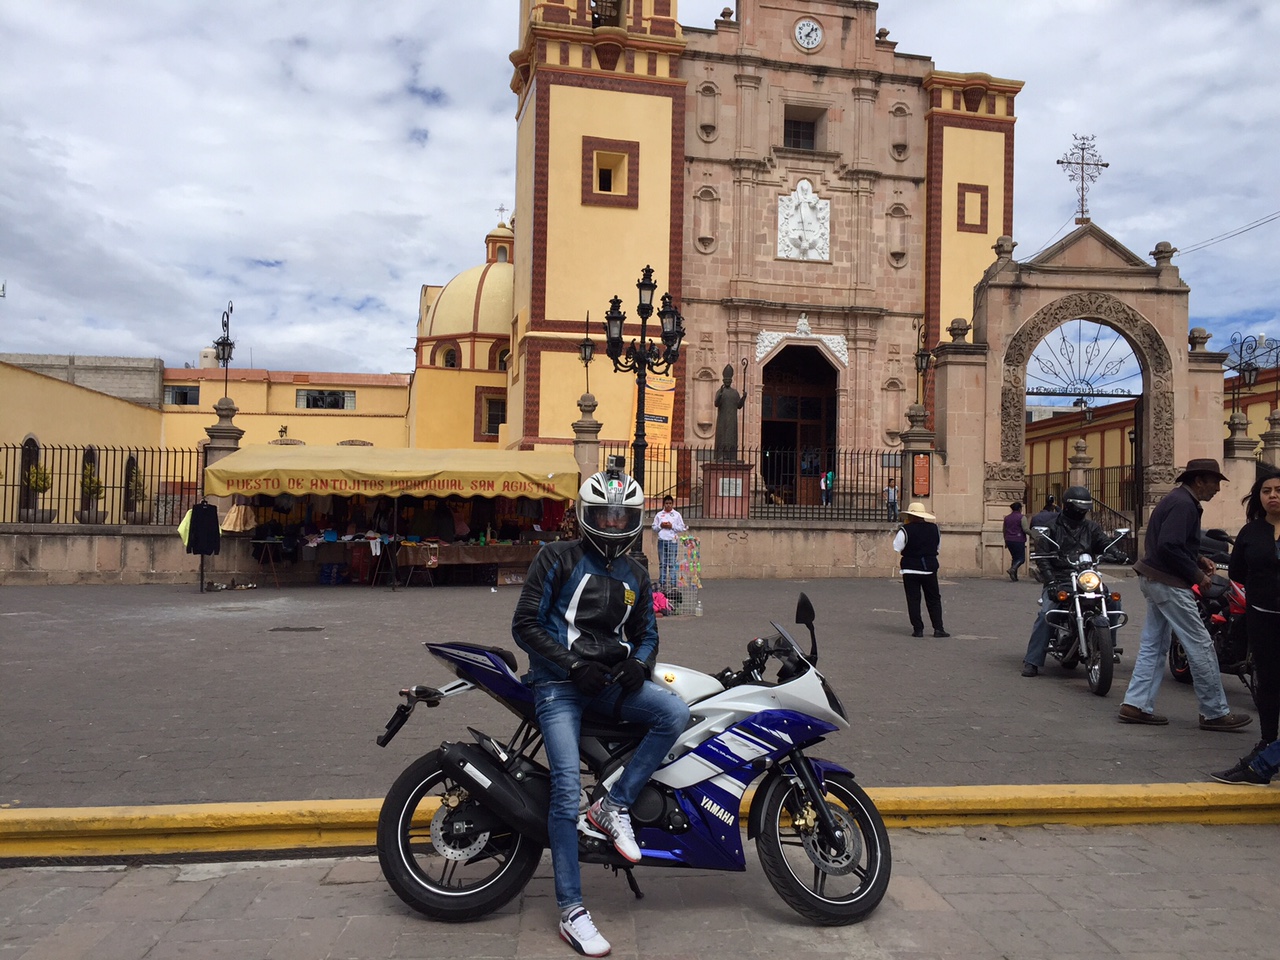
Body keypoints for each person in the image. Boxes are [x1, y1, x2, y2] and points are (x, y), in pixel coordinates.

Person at [511, 461, 691, 957]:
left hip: (609, 683)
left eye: (621, 516)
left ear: (634, 519)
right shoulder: (555, 557)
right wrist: (570, 666)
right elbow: (525, 624)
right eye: (604, 515)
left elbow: (647, 633)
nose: (612, 523)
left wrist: (640, 663)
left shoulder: (637, 572)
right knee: (566, 788)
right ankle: (571, 910)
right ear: (585, 514)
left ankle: (613, 804)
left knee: (674, 714)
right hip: (557, 686)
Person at [1118, 458, 1251, 730]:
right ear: (1199, 481)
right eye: (1214, 482)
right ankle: (1214, 712)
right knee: (1200, 644)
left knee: (1154, 644)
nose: (1217, 488)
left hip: (1154, 577)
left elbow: (1172, 543)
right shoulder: (1183, 504)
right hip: (1168, 582)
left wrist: (1197, 558)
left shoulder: (1177, 500)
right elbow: (1169, 546)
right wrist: (1197, 574)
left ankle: (1136, 704)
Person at [1209, 470, 1280, 783]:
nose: (1273, 495)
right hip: (1262, 617)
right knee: (1267, 681)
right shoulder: (1251, 532)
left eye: (1279, 490)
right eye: (1266, 491)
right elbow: (1237, 571)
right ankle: (1267, 741)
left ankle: (1266, 760)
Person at [1020, 486, 1114, 677]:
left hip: (1086, 576)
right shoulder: (1052, 528)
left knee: (1112, 601)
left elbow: (1104, 543)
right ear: (1068, 506)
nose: (1082, 512)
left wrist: (1115, 551)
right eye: (1079, 508)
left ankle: (1107, 648)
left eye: (1085, 509)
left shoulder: (1091, 527)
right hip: (1060, 578)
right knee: (1047, 613)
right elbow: (1043, 559)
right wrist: (1051, 582)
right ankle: (1032, 660)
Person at [893, 501, 949, 638]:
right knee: (933, 599)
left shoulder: (905, 530)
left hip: (910, 569)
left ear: (910, 516)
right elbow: (938, 547)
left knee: (913, 599)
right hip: (929, 568)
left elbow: (897, 547)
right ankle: (938, 628)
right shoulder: (934, 529)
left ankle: (918, 629)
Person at [651, 495, 687, 596]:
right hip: (662, 540)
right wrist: (661, 526)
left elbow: (682, 527)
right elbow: (654, 527)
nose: (668, 505)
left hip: (672, 541)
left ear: (672, 504)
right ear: (664, 504)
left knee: (672, 563)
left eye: (670, 503)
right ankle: (662, 584)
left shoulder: (676, 515)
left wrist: (672, 526)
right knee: (662, 563)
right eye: (666, 503)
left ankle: (673, 584)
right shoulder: (659, 515)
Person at [713, 364, 745, 461]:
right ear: (723, 381)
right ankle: (720, 455)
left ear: (731, 381)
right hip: (722, 419)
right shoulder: (720, 391)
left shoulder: (735, 393)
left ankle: (731, 456)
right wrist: (720, 394)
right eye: (726, 380)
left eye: (729, 380)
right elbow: (716, 403)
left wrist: (743, 397)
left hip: (732, 419)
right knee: (722, 437)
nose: (727, 382)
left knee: (731, 437)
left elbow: (739, 405)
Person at [1004, 501, 1028, 582]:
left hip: (1008, 539)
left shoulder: (1007, 518)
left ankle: (1014, 576)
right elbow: (1025, 529)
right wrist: (1033, 534)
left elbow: (1004, 530)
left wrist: (1005, 540)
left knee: (1015, 558)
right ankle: (1013, 569)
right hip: (1018, 539)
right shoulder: (1022, 517)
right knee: (1021, 558)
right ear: (1020, 509)